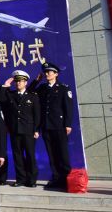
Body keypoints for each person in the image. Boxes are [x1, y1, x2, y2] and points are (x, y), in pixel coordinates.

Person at [32, 62, 74, 190]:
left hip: (59, 125)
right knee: (51, 154)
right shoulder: (42, 88)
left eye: (49, 72)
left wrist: (67, 124)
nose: (47, 74)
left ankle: (67, 179)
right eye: (45, 72)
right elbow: (28, 92)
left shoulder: (63, 88)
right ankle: (56, 178)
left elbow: (68, 108)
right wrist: (36, 81)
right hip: (46, 126)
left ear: (56, 74)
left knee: (62, 153)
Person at [7, 70, 40, 187]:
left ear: (26, 82)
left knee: (30, 155)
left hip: (28, 130)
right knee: (18, 155)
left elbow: (37, 114)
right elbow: (2, 100)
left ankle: (31, 180)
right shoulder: (11, 95)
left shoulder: (32, 96)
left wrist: (36, 129)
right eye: (16, 81)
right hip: (15, 130)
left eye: (20, 81)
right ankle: (20, 179)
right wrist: (6, 85)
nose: (18, 83)